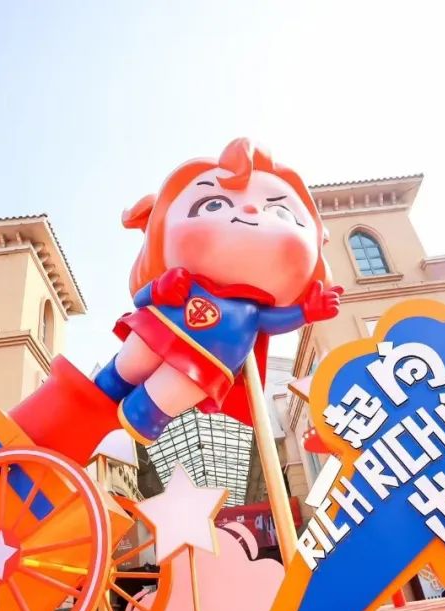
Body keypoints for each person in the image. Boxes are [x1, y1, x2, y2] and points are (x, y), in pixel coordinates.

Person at [94, 138, 342, 443]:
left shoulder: (252, 311)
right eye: (213, 204)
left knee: (159, 401)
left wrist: (305, 312)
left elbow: (271, 321)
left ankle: (137, 420)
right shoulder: (182, 282)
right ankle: (104, 390)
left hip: (206, 362)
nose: (250, 209)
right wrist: (160, 288)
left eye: (280, 212)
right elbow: (142, 298)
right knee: (126, 369)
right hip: (160, 329)